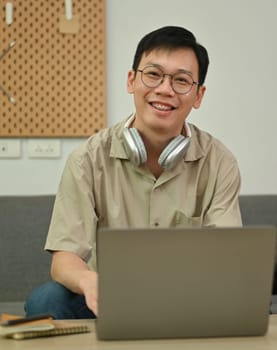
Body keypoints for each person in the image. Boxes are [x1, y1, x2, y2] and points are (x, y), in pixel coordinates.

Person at [24, 25, 242, 319]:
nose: (165, 89)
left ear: (199, 95)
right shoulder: (87, 159)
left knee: (252, 302)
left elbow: (226, 258)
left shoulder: (219, 162)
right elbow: (64, 259)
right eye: (153, 74)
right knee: (46, 299)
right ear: (131, 80)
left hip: (189, 299)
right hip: (110, 299)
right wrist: (89, 281)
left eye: (181, 80)